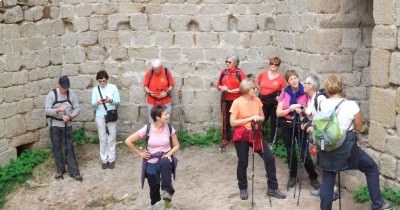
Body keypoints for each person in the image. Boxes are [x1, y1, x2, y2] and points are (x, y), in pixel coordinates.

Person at [316, 75, 392, 210]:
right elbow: (359, 127)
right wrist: (365, 128)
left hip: (325, 146)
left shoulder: (322, 103)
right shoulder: (351, 105)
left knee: (328, 177)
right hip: (346, 149)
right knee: (371, 168)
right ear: (342, 87)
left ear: (327, 89)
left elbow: (321, 113)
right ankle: (378, 204)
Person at [230, 78, 286, 200]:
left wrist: (258, 119)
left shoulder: (257, 100)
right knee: (243, 162)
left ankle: (272, 188)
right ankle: (243, 188)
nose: (256, 90)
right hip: (241, 134)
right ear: (246, 90)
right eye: (253, 88)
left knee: (269, 158)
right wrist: (250, 118)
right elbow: (233, 123)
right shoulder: (237, 102)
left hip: (255, 132)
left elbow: (262, 116)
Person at [125, 105, 180, 205]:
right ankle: (156, 205)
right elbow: (128, 141)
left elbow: (176, 145)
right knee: (154, 189)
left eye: (167, 114)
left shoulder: (169, 128)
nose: (168, 116)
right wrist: (140, 153)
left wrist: (169, 153)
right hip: (151, 160)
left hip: (164, 159)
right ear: (158, 117)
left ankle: (167, 191)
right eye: (165, 114)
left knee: (165, 161)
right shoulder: (148, 128)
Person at [276, 70, 319, 189]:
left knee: (304, 152)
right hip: (287, 124)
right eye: (291, 79)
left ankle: (313, 176)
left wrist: (301, 108)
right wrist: (290, 109)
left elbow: (310, 109)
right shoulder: (285, 92)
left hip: (300, 125)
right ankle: (293, 176)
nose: (294, 80)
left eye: (295, 78)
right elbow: (278, 113)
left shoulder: (304, 91)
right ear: (287, 81)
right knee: (291, 152)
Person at [45, 75, 82, 181]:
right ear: (59, 85)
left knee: (69, 147)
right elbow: (47, 110)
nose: (65, 90)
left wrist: (70, 116)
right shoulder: (52, 95)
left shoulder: (72, 94)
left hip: (67, 124)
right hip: (55, 125)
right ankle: (60, 170)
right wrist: (57, 111)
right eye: (63, 88)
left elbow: (77, 109)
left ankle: (74, 171)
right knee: (56, 147)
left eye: (66, 88)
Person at [91, 70, 121, 169]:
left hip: (110, 114)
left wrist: (110, 100)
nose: (102, 83)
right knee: (102, 138)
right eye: (100, 81)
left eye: (104, 81)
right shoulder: (95, 89)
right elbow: (92, 104)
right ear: (98, 81)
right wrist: (97, 103)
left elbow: (118, 103)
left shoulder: (113, 88)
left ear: (107, 79)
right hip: (100, 115)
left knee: (111, 138)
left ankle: (111, 159)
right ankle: (104, 159)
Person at [216, 55, 246, 148]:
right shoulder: (223, 72)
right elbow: (218, 85)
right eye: (226, 61)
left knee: (237, 119)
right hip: (225, 98)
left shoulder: (240, 73)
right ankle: (226, 138)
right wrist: (222, 87)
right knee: (225, 119)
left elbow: (244, 87)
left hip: (237, 99)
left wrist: (234, 90)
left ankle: (239, 137)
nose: (227, 63)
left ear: (235, 63)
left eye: (229, 62)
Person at [256, 56, 286, 144]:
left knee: (273, 123)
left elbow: (285, 91)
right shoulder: (263, 74)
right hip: (262, 101)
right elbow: (256, 83)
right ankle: (259, 139)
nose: (274, 65)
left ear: (278, 66)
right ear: (269, 64)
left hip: (273, 103)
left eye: (276, 64)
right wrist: (260, 90)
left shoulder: (281, 78)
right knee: (261, 120)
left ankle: (272, 142)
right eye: (272, 63)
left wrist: (279, 98)